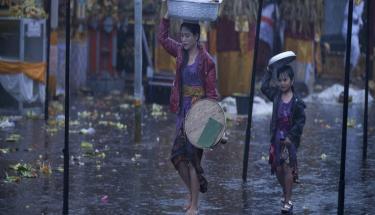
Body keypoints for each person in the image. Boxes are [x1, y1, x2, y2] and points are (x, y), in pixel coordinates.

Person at [158, 2, 219, 215]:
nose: (182, 39)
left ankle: (194, 205)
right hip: (182, 111)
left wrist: (215, 127)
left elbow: (211, 95)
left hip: (199, 113)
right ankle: (195, 190)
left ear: (196, 37)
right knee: (177, 156)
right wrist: (166, 17)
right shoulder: (180, 53)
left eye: (186, 36)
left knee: (193, 159)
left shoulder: (207, 61)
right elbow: (163, 40)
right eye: (181, 35)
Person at [261, 64, 306, 213]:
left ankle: (288, 200)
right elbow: (264, 87)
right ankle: (286, 191)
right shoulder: (275, 95)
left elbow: (300, 122)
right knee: (278, 169)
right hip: (276, 137)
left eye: (285, 80)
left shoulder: (297, 102)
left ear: (291, 81)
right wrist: (268, 71)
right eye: (280, 80)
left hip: (289, 140)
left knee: (287, 168)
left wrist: (291, 137)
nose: (282, 83)